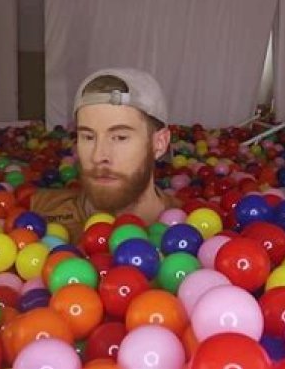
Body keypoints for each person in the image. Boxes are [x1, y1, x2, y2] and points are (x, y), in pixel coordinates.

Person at [30, 68, 181, 242]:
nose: (98, 156)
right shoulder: (38, 210)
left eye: (120, 137)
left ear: (160, 143)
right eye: (88, 137)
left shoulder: (190, 223)